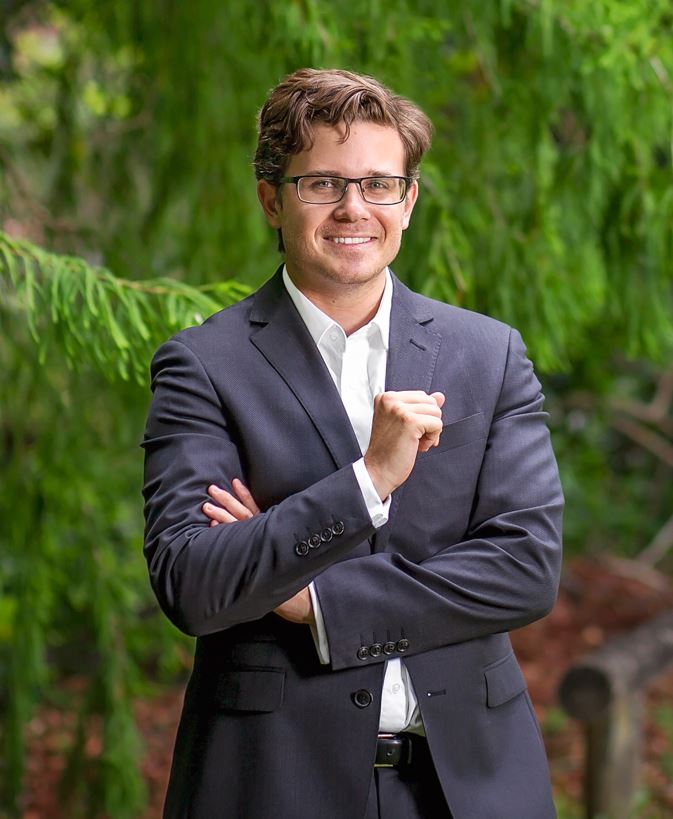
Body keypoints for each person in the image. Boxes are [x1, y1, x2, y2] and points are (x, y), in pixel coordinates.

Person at [142, 68, 563, 819]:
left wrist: (313, 601)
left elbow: (525, 568)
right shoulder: (204, 365)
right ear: (271, 199)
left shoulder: (488, 354)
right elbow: (195, 582)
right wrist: (366, 480)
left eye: (378, 184)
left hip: (471, 786)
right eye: (322, 184)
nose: (353, 208)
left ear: (408, 201)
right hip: (273, 784)